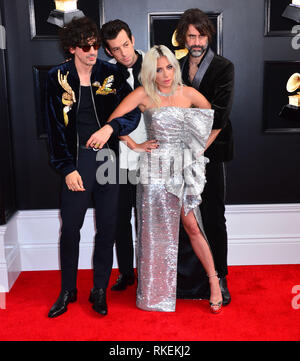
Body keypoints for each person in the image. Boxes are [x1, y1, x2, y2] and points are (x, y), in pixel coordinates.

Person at [87, 44, 223, 314]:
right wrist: (134, 146)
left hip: (182, 168)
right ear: (150, 72)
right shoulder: (143, 95)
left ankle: (214, 282)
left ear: (175, 67)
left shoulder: (189, 93)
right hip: (153, 171)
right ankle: (153, 294)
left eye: (169, 67)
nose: (165, 74)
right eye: (158, 69)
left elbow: (215, 122)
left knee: (193, 227)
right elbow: (112, 121)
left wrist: (197, 151)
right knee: (152, 233)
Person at [45, 17, 140, 318]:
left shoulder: (111, 73)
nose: (92, 51)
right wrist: (66, 168)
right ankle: (67, 290)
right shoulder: (57, 77)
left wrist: (111, 127)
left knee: (108, 228)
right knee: (71, 229)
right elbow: (54, 128)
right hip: (76, 164)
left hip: (108, 162)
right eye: (85, 47)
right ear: (72, 47)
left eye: (96, 45)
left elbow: (133, 113)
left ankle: (99, 289)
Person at [175, 8, 235, 305]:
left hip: (211, 151)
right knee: (186, 219)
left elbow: (220, 116)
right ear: (184, 37)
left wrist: (197, 151)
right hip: (182, 152)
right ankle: (191, 279)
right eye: (191, 36)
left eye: (200, 35)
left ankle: (221, 278)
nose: (196, 41)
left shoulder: (224, 67)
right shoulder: (175, 65)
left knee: (213, 215)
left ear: (208, 35)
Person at [100, 19, 149, 291]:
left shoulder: (155, 64)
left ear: (132, 37)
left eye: (126, 45)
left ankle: (149, 273)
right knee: (120, 218)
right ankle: (127, 273)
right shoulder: (106, 74)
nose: (124, 53)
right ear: (108, 51)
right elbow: (105, 115)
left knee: (147, 219)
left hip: (151, 155)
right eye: (116, 49)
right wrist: (127, 139)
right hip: (117, 158)